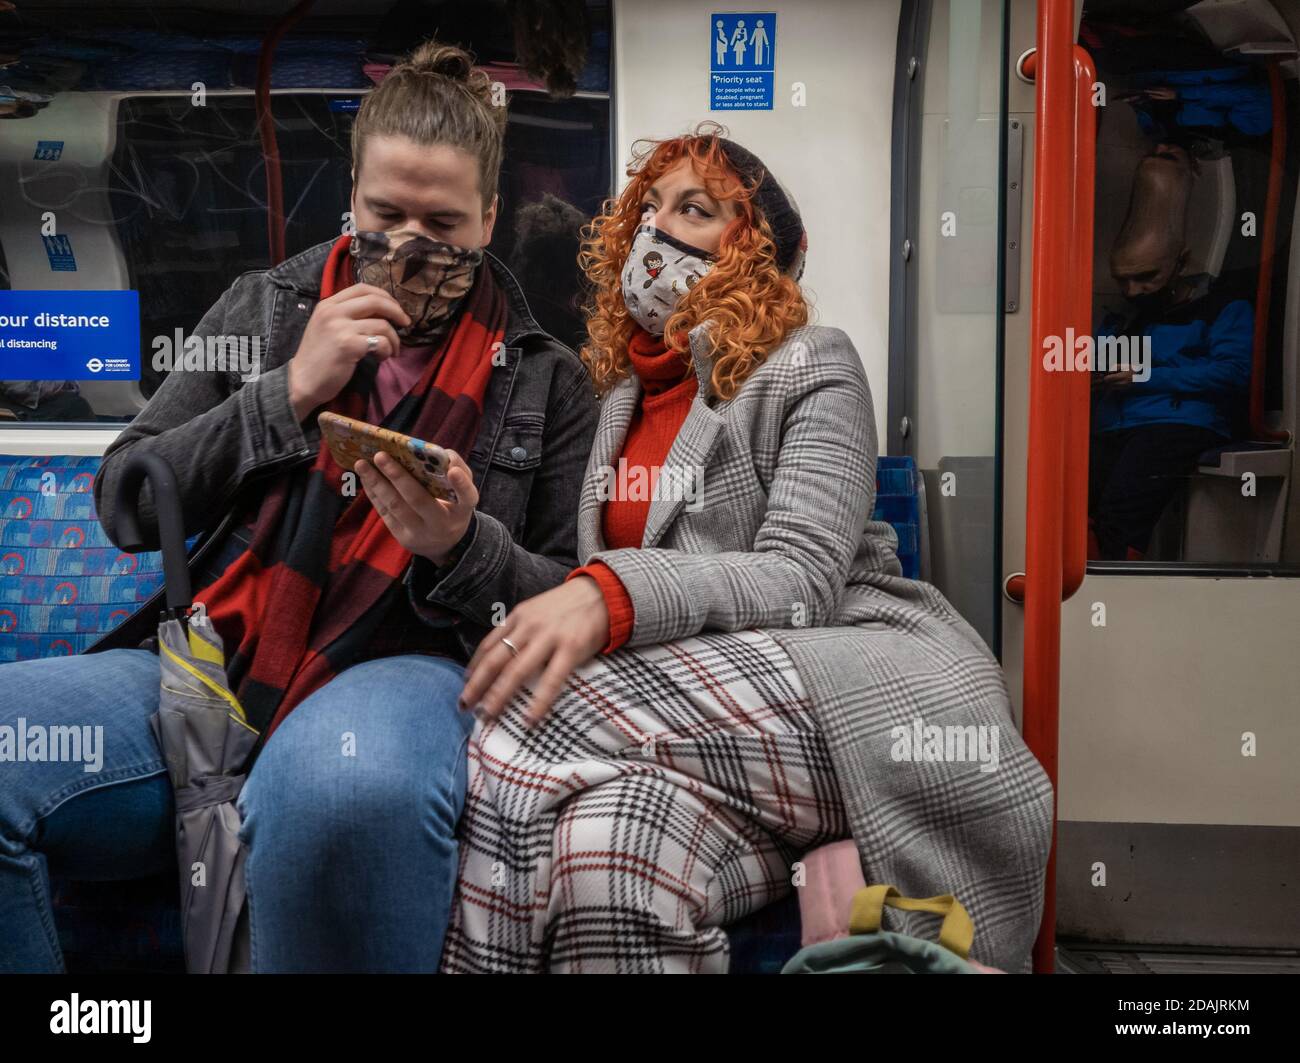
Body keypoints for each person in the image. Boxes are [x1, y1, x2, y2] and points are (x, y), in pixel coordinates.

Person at [0, 40, 597, 974]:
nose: (409, 248)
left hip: (406, 660)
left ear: (490, 218)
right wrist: (285, 393)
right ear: (349, 199)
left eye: (443, 222)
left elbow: (563, 595)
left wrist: (460, 546)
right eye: (385, 214)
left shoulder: (549, 381)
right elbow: (127, 502)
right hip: (211, 658)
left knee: (341, 785)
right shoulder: (266, 310)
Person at [439, 126, 1054, 974]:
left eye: (694, 209)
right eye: (648, 208)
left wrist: (607, 595)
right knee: (604, 856)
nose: (656, 231)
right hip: (713, 744)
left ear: (755, 247)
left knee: (528, 712)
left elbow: (802, 577)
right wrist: (463, 541)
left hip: (854, 688)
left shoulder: (812, 364)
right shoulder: (618, 400)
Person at [1090, 142, 1253, 560]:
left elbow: (1232, 373)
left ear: (1179, 263)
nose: (1134, 290)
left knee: (1119, 515)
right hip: (1119, 423)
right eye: (1124, 280)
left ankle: (1122, 595)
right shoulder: (1130, 315)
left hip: (1177, 421)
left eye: (1144, 278)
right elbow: (1096, 361)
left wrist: (1145, 376)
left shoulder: (1223, 308)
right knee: (1077, 507)